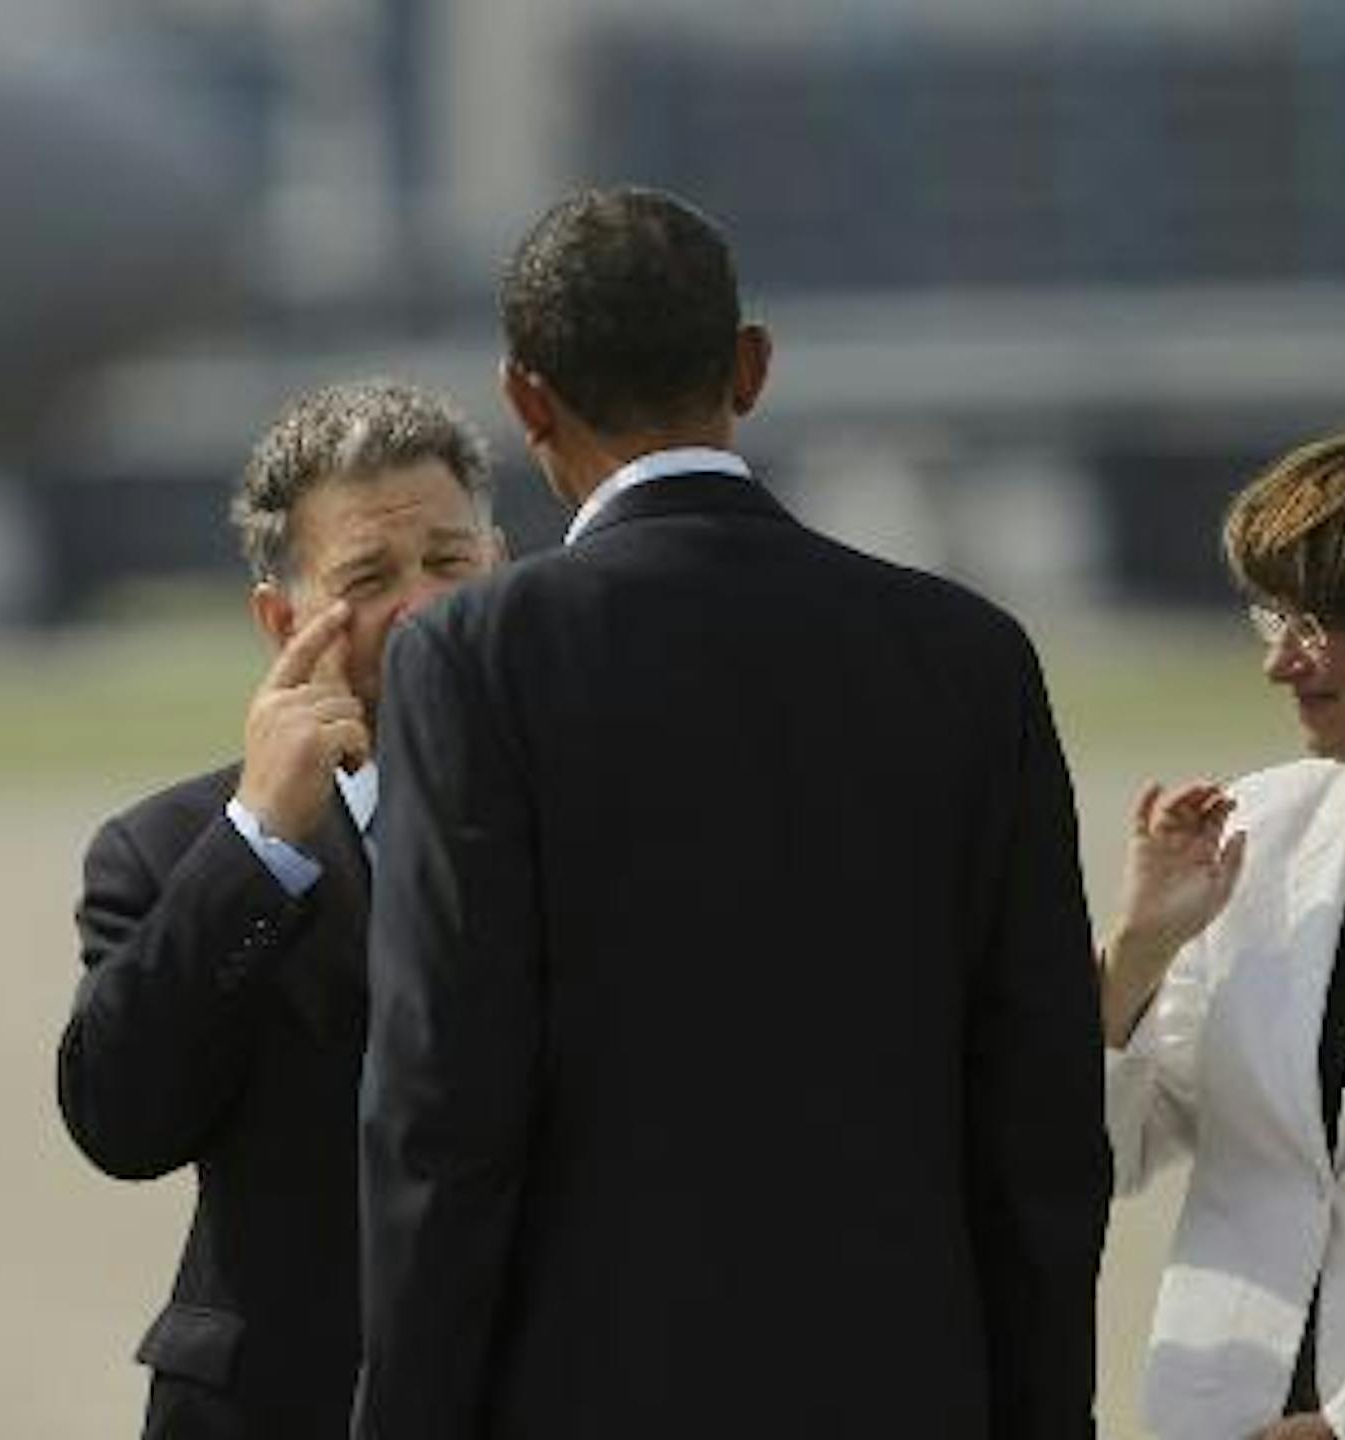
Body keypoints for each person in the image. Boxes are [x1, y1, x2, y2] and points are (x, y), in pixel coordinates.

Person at [353, 186, 1111, 1438]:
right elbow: (1041, 1111)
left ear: (525, 399)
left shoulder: (476, 657)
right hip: (906, 1390)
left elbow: (443, 1106)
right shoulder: (969, 655)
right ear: (751, 367)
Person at [57, 379, 501, 1437]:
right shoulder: (173, 851)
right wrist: (259, 841)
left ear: (501, 564)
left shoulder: (598, 812)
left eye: (449, 561)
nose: (424, 606)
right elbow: (121, 1121)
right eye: (369, 578)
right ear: (281, 619)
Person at [1104, 421, 1345, 1440]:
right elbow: (1101, 1158)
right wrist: (1140, 952)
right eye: (1272, 618)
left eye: (1315, 624)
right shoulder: (1259, 832)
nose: (1280, 663)